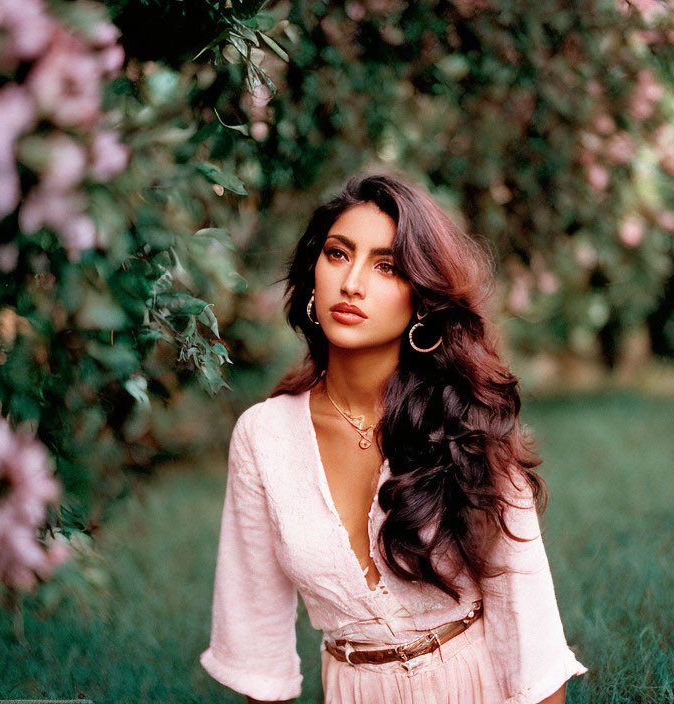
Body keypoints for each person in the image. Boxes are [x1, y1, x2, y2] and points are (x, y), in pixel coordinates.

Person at [198, 173, 588, 703]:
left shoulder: (468, 419)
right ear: (313, 272)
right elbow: (256, 644)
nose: (352, 282)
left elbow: (532, 639)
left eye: (386, 266)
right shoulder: (263, 437)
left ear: (422, 299)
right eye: (338, 255)